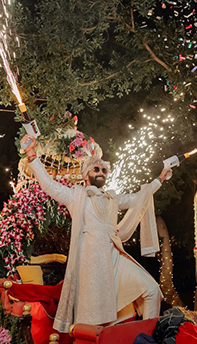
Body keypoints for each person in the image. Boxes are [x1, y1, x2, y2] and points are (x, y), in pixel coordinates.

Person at [21, 135, 171, 332]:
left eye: (103, 170)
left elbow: (138, 198)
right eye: (96, 169)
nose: (101, 172)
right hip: (90, 262)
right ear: (86, 175)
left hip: (114, 256)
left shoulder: (112, 198)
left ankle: (147, 339)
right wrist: (31, 154)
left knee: (151, 290)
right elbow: (49, 185)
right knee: (94, 321)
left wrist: (159, 179)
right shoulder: (75, 196)